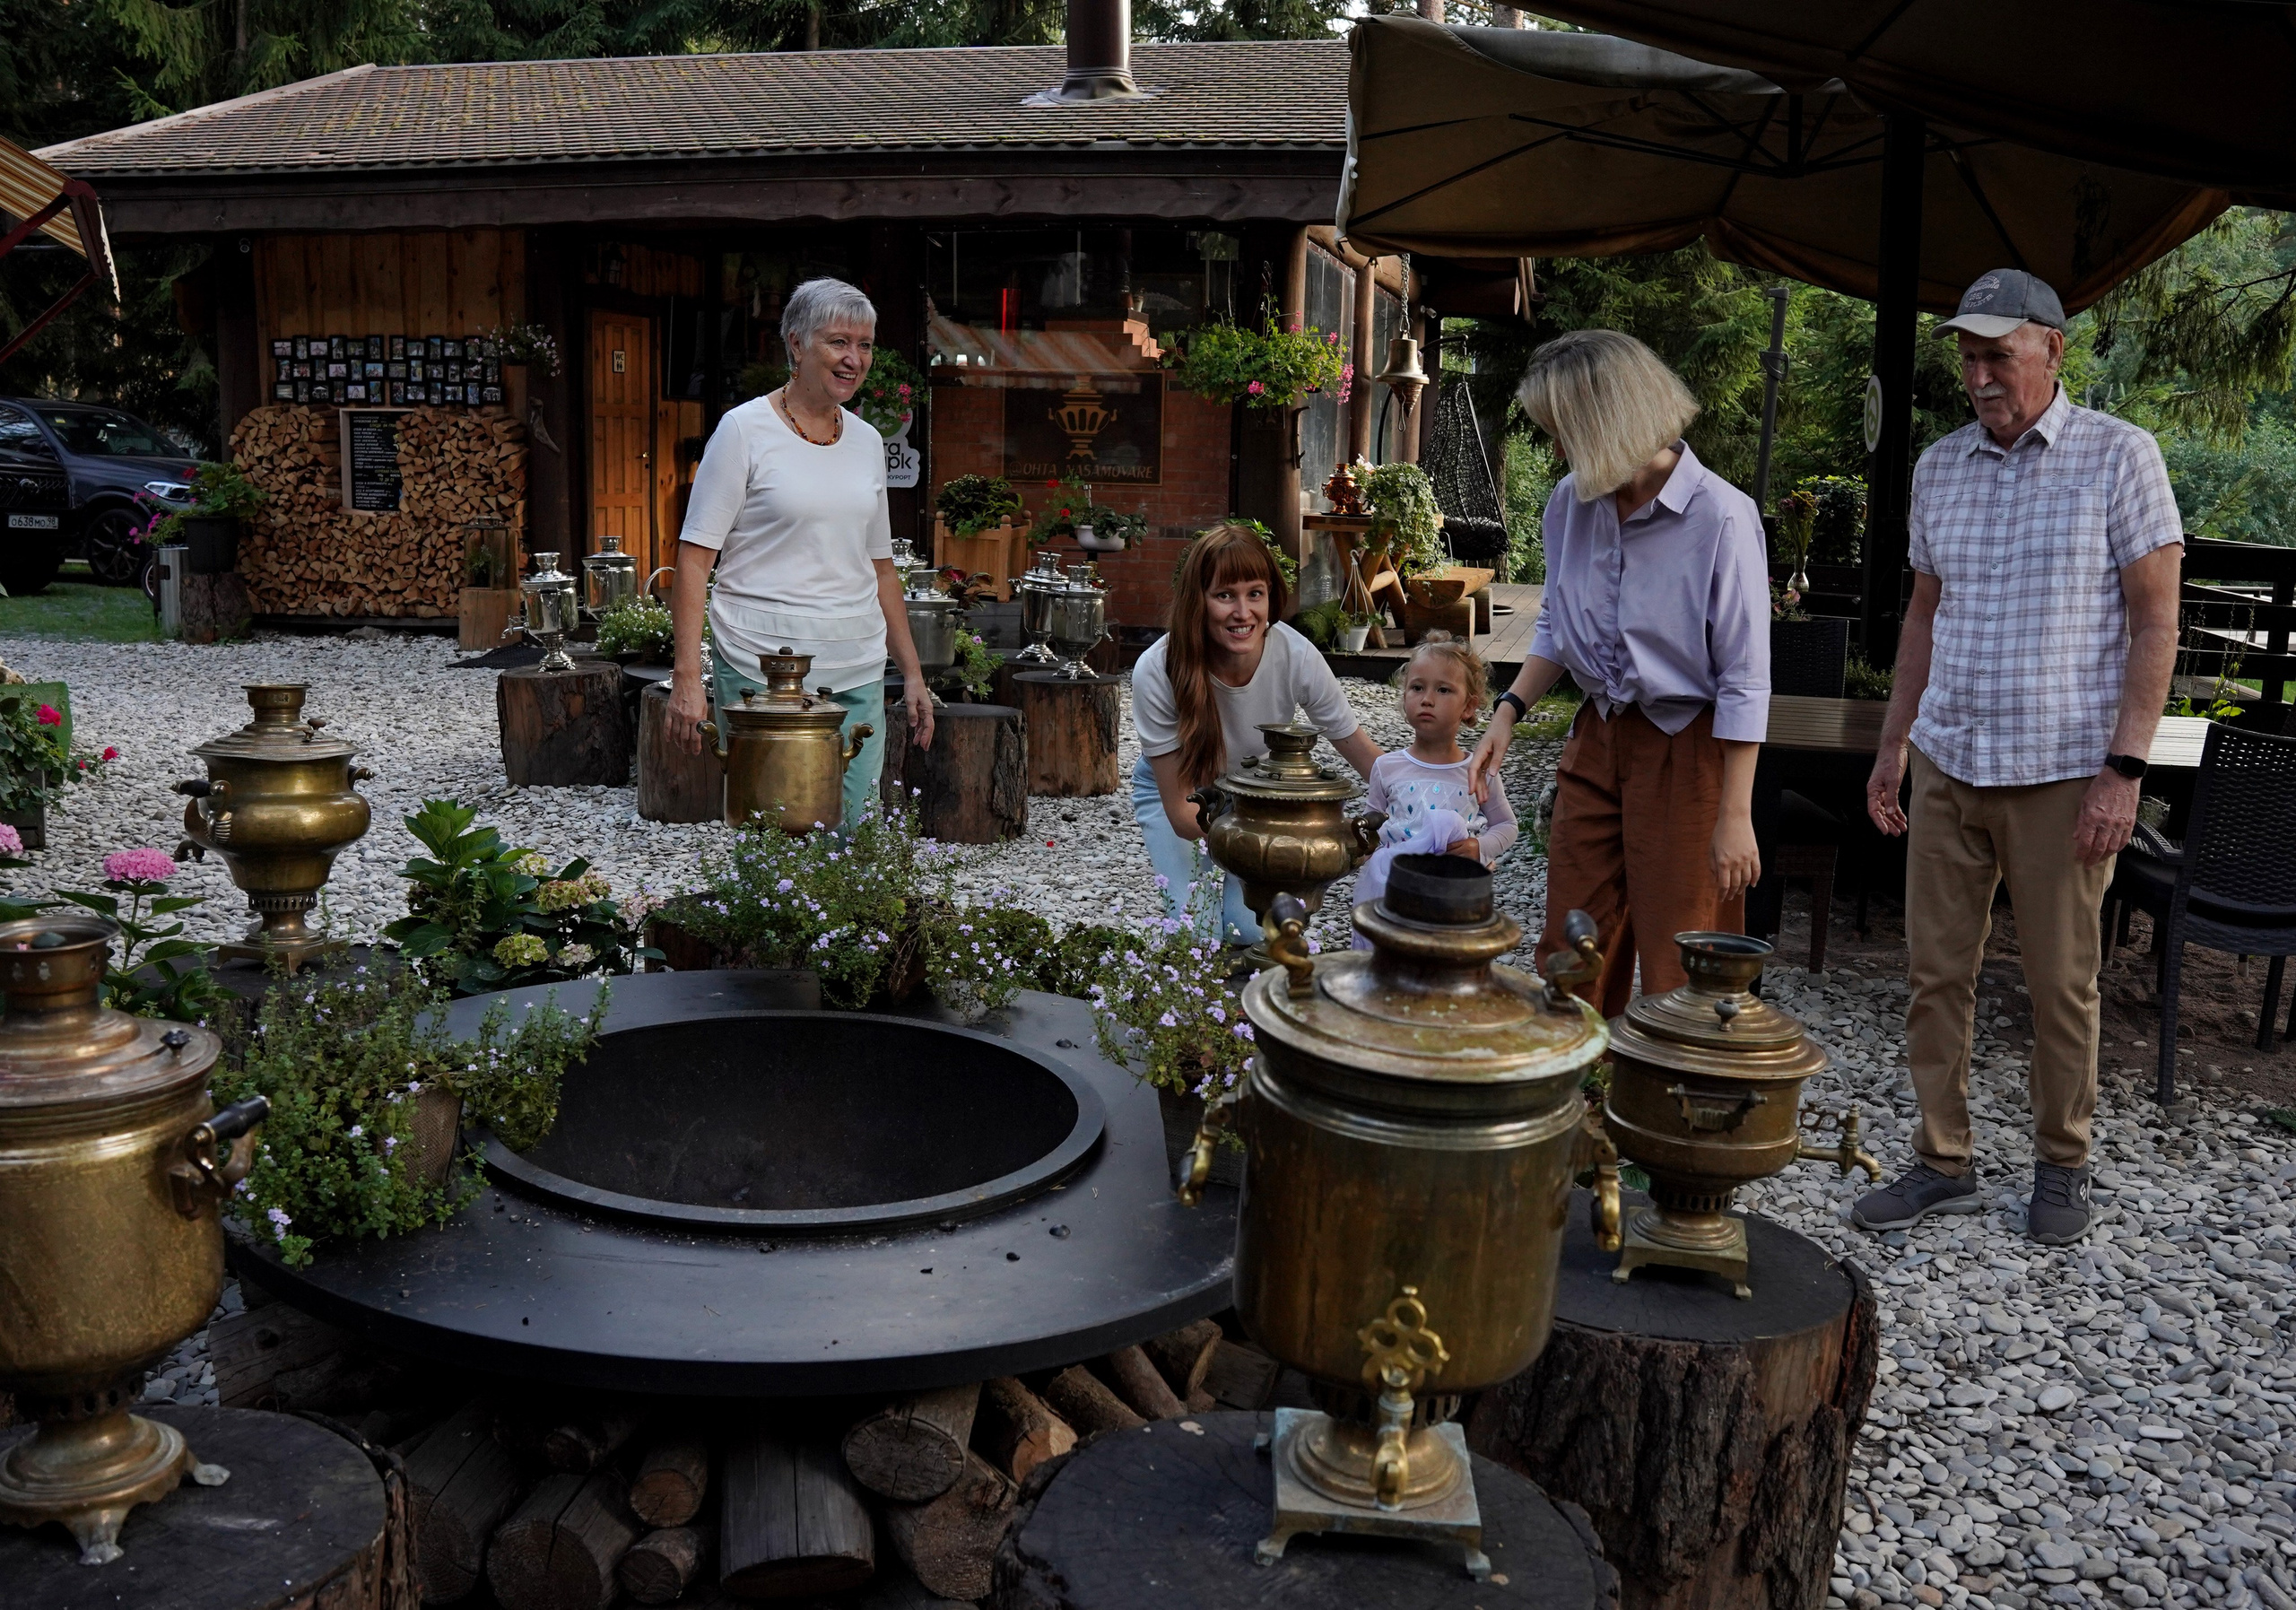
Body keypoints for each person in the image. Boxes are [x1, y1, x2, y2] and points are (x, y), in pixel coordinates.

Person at [1851, 269, 2183, 1247]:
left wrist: (2125, 770)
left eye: (1998, 354)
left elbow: (2157, 621)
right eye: (1967, 356)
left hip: (2063, 771)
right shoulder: (1939, 466)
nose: (1979, 375)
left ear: (2053, 350)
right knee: (1934, 972)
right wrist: (1893, 743)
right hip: (1950, 758)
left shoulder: (2119, 456)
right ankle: (1941, 1159)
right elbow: (1923, 616)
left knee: (2060, 982)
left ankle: (2062, 1164)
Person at [1466, 329, 1769, 1016]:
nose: (1557, 452)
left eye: (1563, 433)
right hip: (1597, 737)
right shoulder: (1568, 504)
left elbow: (1745, 680)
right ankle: (1579, 1079)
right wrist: (1508, 710)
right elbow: (1558, 621)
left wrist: (1735, 814)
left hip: (1688, 751)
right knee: (1570, 946)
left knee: (1683, 961)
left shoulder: (1721, 516)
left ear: (1608, 422)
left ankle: (1671, 1086)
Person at [667, 277, 934, 829]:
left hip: (856, 667)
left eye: (864, 345)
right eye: (838, 342)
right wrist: (687, 676)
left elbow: (881, 568)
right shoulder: (743, 431)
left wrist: (912, 673)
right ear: (796, 343)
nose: (854, 359)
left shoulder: (867, 441)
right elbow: (694, 560)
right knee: (772, 838)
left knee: (854, 836)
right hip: (761, 669)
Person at [1132, 523, 1383, 941]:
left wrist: (1420, 800)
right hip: (1180, 793)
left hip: (1257, 795)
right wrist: (1279, 842)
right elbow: (1181, 815)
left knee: (1255, 931)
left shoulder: (1297, 655)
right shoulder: (1157, 669)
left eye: (1255, 593)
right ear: (1198, 601)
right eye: (1224, 595)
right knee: (1198, 933)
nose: (1243, 612)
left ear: (1271, 597)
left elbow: (1361, 751)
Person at [1354, 632, 1519, 945]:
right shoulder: (1387, 767)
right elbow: (1370, 826)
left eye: (1443, 690)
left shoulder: (1477, 772)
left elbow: (1507, 826)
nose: (1427, 699)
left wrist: (1479, 848)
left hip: (1453, 895)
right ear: (1405, 696)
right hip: (1395, 891)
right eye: (1417, 688)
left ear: (1469, 706)